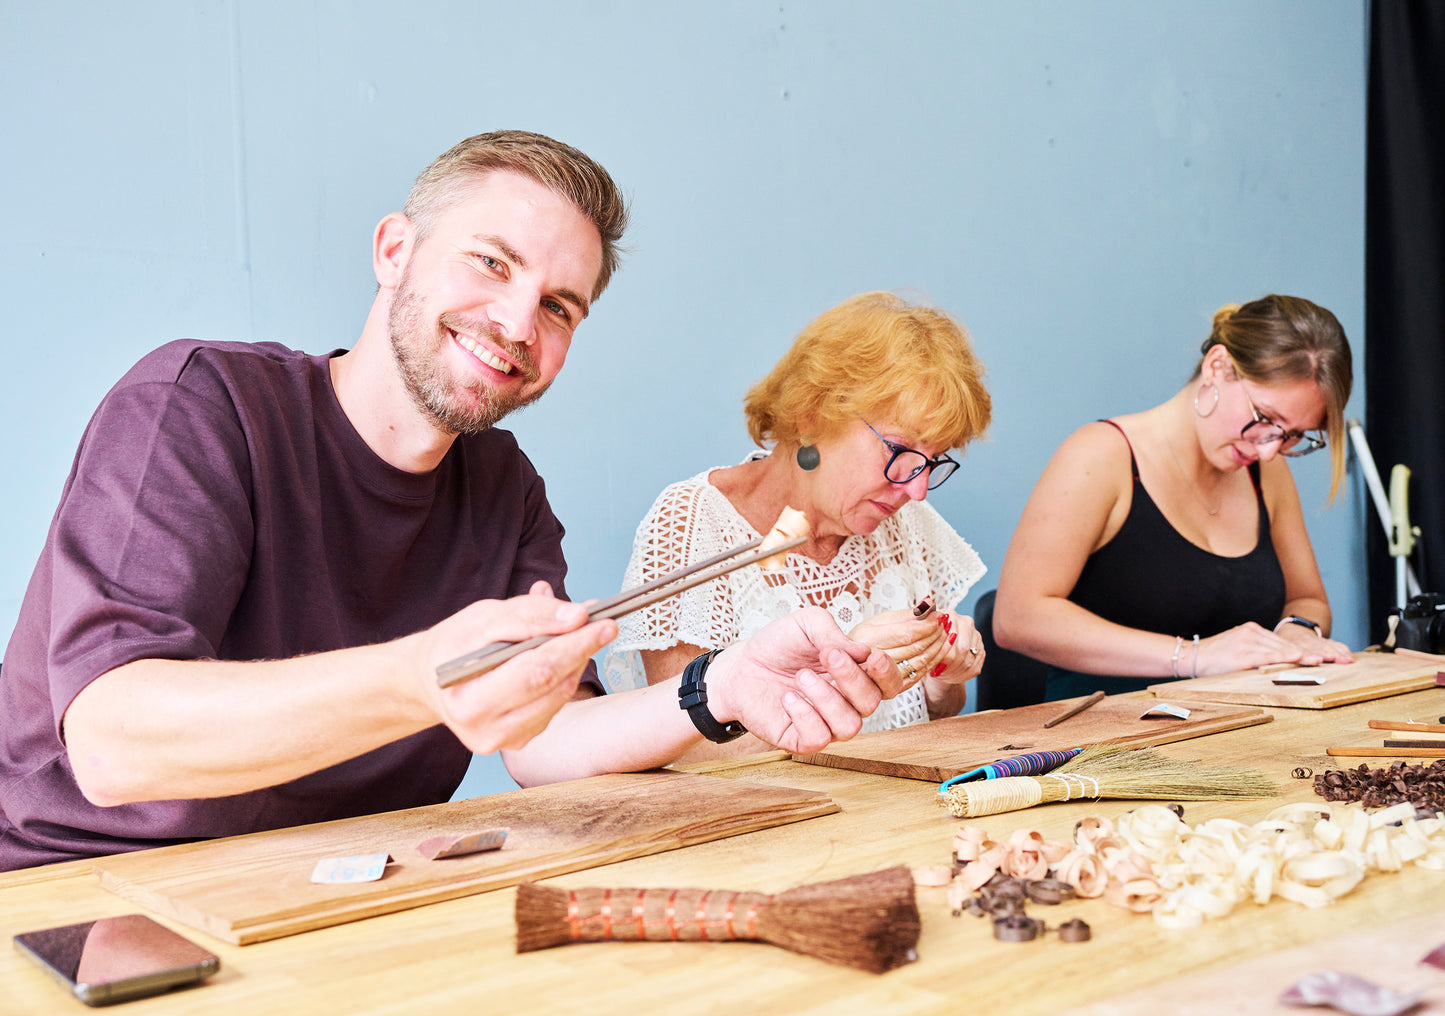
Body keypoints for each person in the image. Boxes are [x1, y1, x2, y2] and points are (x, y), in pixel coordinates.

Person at [0, 131, 904, 870]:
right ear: (394, 250)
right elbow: (113, 745)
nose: (516, 323)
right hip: (84, 887)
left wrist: (722, 686)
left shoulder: (504, 488)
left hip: (341, 883)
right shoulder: (202, 405)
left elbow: (544, 739)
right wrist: (422, 677)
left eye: (559, 307)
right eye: (490, 263)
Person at [602, 291, 994, 758]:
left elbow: (934, 714)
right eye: (899, 451)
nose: (918, 489)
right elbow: (689, 752)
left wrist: (941, 677)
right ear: (813, 418)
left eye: (932, 461)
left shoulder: (908, 526)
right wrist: (843, 667)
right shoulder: (693, 523)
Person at [993, 294, 1355, 701]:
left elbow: (1307, 599)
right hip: (1103, 729)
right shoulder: (1100, 457)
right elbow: (1017, 618)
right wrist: (1193, 657)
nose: (1270, 449)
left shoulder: (1265, 472)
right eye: (1265, 418)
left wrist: (1297, 632)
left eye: (1293, 435)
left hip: (1235, 724)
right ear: (1216, 366)